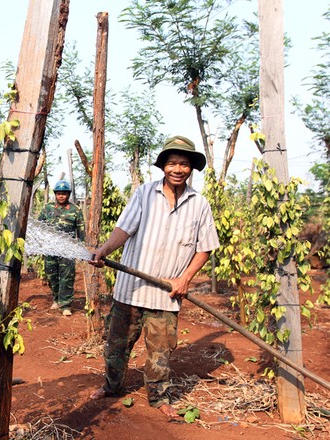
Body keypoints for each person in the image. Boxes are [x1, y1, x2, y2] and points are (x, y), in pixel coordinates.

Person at [88, 135, 220, 419]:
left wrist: (185, 279)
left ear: (191, 169)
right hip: (130, 290)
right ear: (163, 166)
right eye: (172, 163)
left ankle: (159, 397)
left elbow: (205, 248)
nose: (177, 169)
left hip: (165, 295)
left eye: (183, 164)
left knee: (160, 353)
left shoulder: (199, 204)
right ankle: (111, 386)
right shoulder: (144, 194)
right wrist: (104, 249)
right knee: (116, 346)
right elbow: (123, 230)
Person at [38, 179, 85, 316]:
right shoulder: (48, 208)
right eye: (59, 194)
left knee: (67, 277)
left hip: (67, 250)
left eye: (64, 194)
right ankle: (56, 299)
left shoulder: (75, 210)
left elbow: (81, 230)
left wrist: (81, 247)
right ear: (55, 194)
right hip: (50, 249)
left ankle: (65, 305)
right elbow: (39, 226)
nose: (61, 196)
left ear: (68, 194)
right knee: (51, 275)